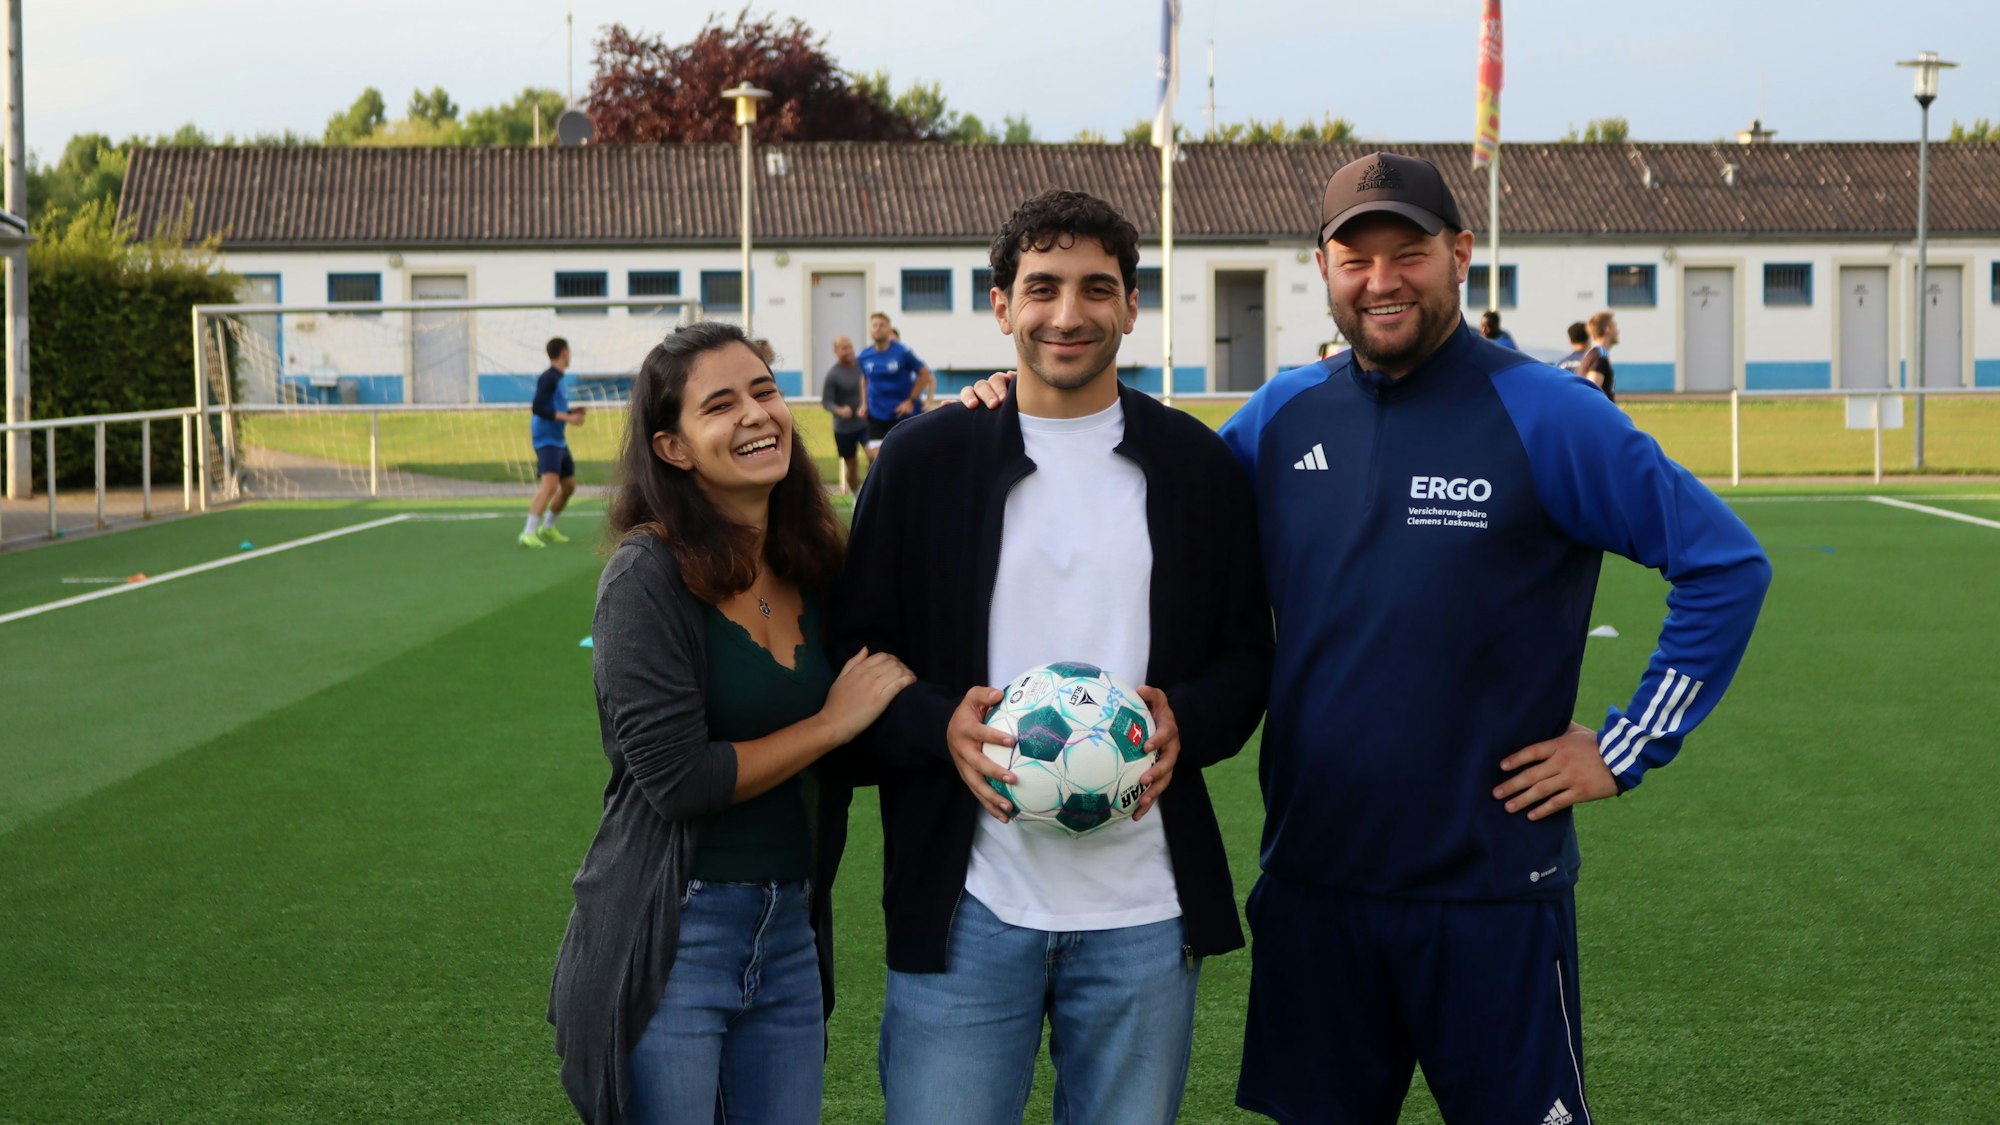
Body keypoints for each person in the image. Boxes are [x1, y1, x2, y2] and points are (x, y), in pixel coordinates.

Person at [1218, 151, 1770, 1124]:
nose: (1380, 281)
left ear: (1459, 254)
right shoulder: (1277, 417)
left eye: (1408, 254)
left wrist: (1625, 745)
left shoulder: (1548, 412)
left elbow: (1722, 564)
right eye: (1355, 259)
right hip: (1312, 888)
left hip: (1489, 897)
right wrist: (1004, 406)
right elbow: (1155, 517)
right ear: (1322, 268)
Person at [836, 190, 1273, 1125]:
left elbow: (1248, 655)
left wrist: (1186, 721)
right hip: (967, 906)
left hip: (1143, 914)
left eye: (1095, 289)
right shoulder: (923, 461)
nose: (1067, 315)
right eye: (1041, 287)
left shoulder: (1198, 468)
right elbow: (855, 648)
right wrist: (934, 722)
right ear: (1001, 305)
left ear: (1132, 305)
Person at [548, 321, 915, 1125]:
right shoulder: (645, 577)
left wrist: (980, 411)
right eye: (721, 404)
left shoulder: (815, 562)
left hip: (790, 933)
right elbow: (680, 780)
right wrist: (830, 723)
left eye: (765, 391)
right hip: (673, 933)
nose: (757, 415)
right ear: (674, 448)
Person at [524, 337, 586, 548]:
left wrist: (572, 413)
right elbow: (538, 407)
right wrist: (569, 418)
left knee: (568, 486)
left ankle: (547, 527)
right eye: (569, 351)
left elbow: (552, 408)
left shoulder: (558, 379)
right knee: (550, 485)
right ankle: (528, 532)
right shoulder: (548, 377)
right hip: (546, 439)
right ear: (564, 353)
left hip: (558, 440)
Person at [856, 312, 934, 465]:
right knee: (878, 460)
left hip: (901, 414)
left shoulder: (903, 352)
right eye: (875, 325)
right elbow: (864, 378)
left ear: (889, 329)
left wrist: (910, 401)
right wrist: (864, 403)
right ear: (870, 329)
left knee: (905, 458)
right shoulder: (864, 356)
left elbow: (925, 375)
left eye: (882, 325)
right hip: (877, 414)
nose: (878, 328)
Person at [819, 334, 869, 494]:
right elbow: (826, 402)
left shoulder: (862, 367)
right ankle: (855, 498)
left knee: (875, 457)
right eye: (844, 348)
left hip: (865, 424)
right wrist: (839, 410)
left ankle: (871, 490)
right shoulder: (833, 375)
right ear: (836, 351)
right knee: (852, 465)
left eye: (850, 347)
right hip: (844, 428)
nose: (848, 351)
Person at [1576, 310, 1619, 401]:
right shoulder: (1599, 357)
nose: (1618, 331)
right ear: (1608, 330)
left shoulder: (1594, 354)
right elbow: (1591, 392)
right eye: (1615, 327)